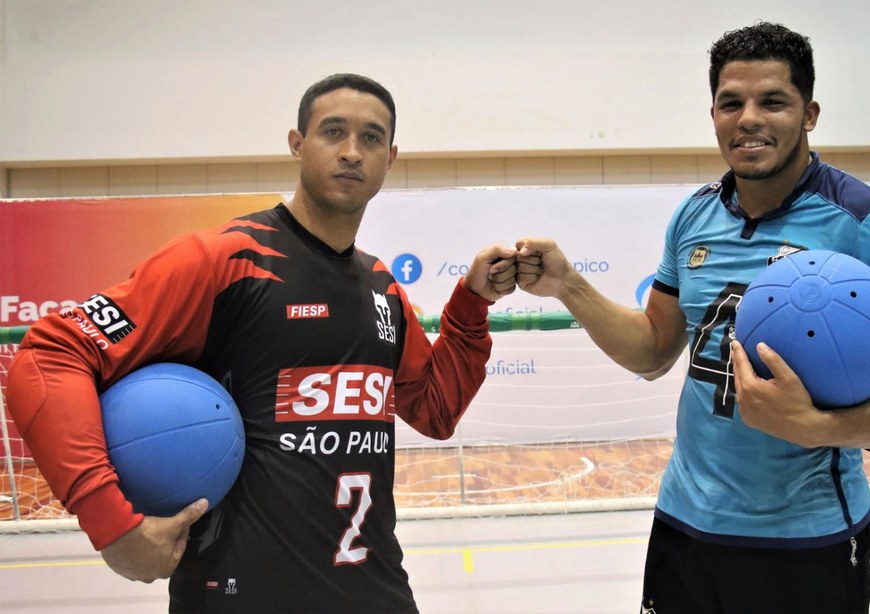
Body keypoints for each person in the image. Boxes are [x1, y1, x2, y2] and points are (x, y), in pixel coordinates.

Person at [6, 73, 518, 612]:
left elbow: (436, 411)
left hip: (376, 592)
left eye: (370, 138)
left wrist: (471, 305)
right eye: (332, 132)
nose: (350, 152)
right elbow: (49, 355)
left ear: (390, 157)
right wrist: (111, 526)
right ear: (297, 143)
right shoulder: (224, 260)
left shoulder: (381, 285)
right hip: (239, 597)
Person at [515, 22, 870, 614]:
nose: (748, 117)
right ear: (715, 114)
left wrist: (821, 427)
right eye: (731, 102)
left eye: (772, 101)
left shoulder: (869, 223)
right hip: (685, 524)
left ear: (810, 113)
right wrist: (568, 285)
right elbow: (653, 350)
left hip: (807, 537)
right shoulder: (693, 216)